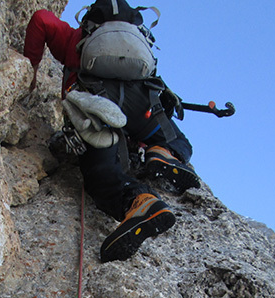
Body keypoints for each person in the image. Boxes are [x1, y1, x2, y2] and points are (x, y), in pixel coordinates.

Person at [23, 4, 201, 263]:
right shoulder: (136, 46)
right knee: (177, 141)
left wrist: (32, 68)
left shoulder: (75, 39)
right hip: (141, 104)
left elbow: (42, 19)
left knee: (101, 175)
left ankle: (140, 202)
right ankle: (162, 153)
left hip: (97, 106)